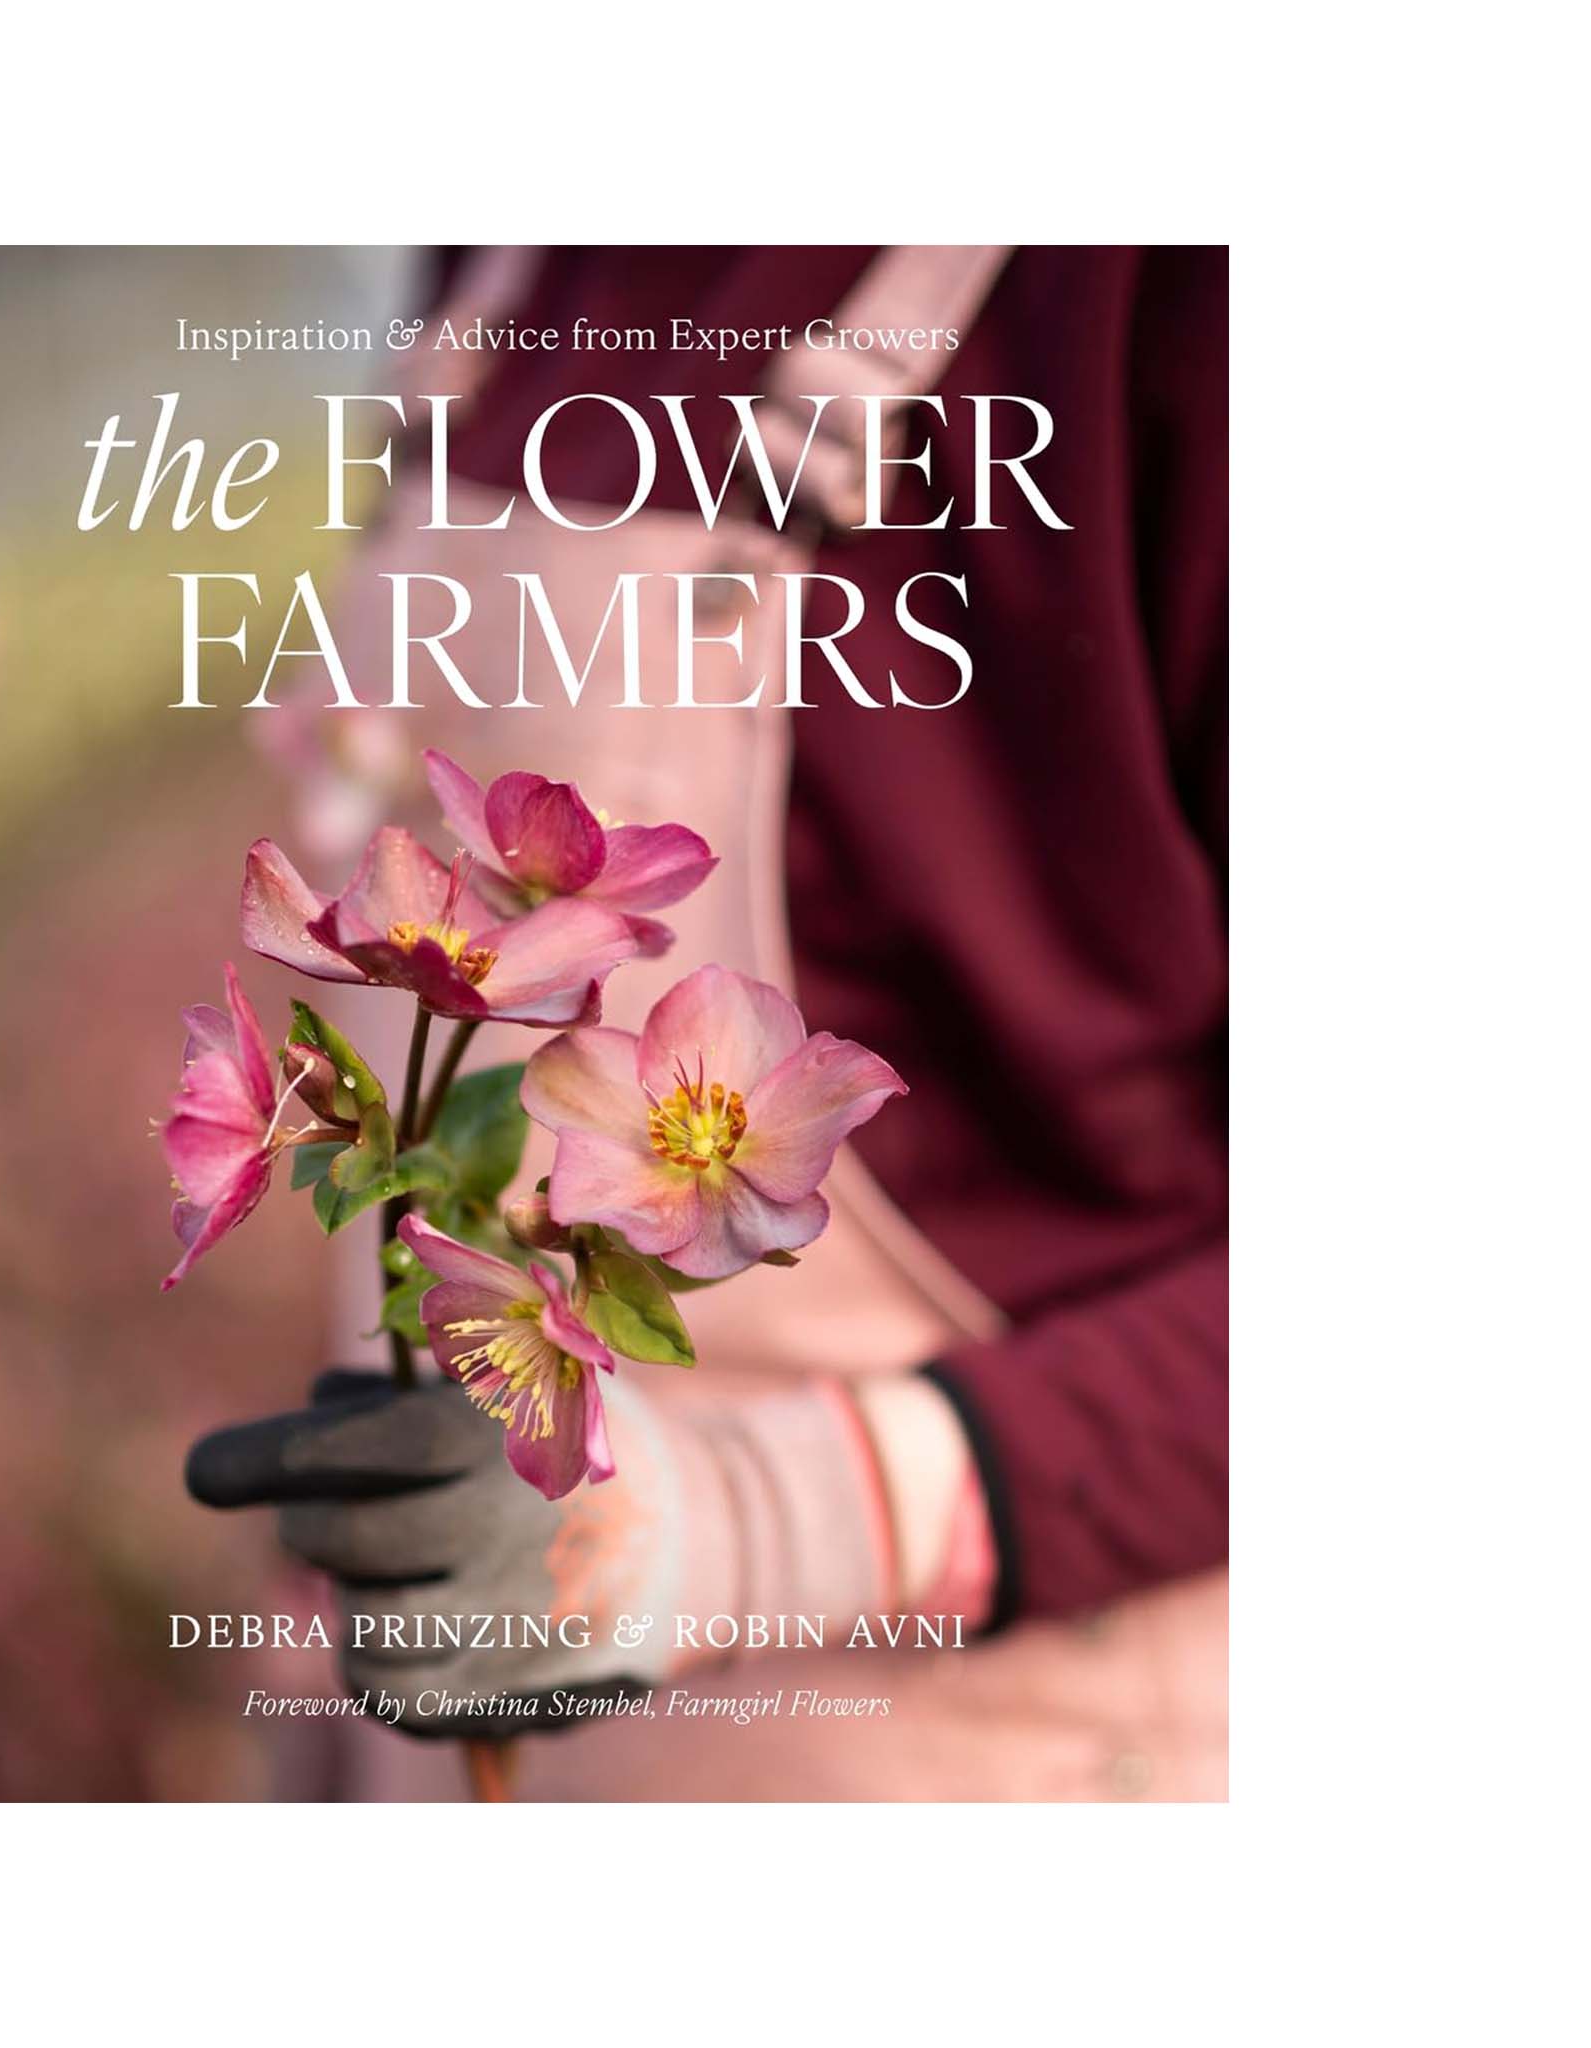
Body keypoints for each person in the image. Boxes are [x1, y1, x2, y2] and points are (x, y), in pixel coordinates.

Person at [186, 246, 1228, 1801]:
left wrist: (751, 1523)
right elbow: (424, 1124)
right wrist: (326, 1599)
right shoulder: (500, 262)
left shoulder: (1172, 284)